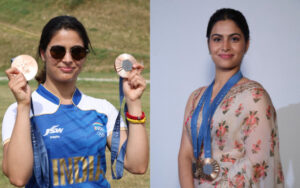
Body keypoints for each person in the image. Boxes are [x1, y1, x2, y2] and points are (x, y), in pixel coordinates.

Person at [2, 15, 149, 187]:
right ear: (43, 53)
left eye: (77, 52)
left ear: (84, 56)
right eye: (58, 51)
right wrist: (23, 105)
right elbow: (18, 177)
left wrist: (133, 101)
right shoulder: (19, 110)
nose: (68, 59)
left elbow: (137, 165)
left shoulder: (102, 109)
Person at [178, 8, 284, 187]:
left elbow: (257, 164)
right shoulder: (196, 97)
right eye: (217, 39)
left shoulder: (255, 96)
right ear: (209, 44)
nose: (225, 46)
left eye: (234, 39)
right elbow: (186, 155)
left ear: (246, 44)